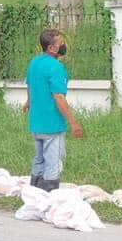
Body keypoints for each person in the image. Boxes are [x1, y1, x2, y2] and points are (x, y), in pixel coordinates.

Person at [24, 29, 83, 192]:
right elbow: (59, 98)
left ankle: (34, 191)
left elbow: (30, 84)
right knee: (54, 162)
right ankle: (49, 195)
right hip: (52, 124)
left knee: (39, 159)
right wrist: (74, 123)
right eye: (61, 43)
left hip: (36, 122)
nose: (64, 46)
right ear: (51, 48)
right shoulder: (56, 68)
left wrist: (29, 101)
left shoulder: (34, 62)